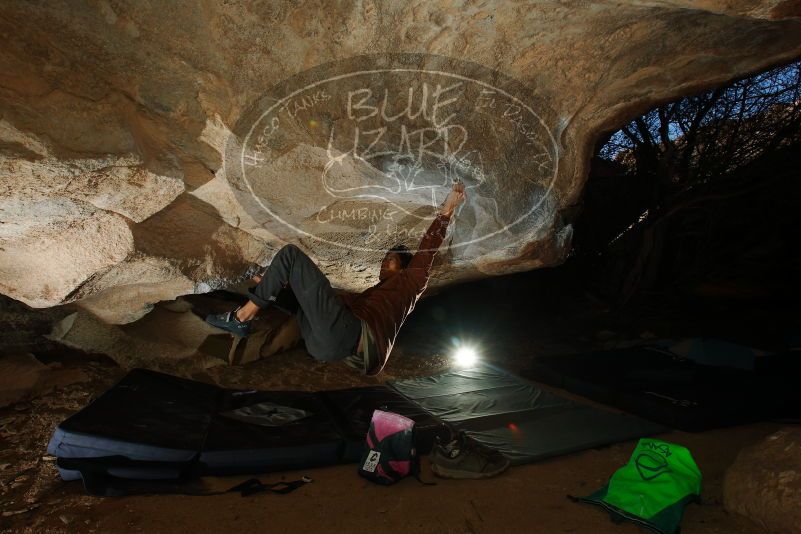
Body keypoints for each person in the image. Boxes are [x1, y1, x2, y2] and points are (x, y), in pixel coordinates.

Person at [205, 181, 467, 375]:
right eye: (385, 258)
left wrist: (447, 211)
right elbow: (315, 303)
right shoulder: (369, 300)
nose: (385, 262)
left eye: (392, 259)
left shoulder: (410, 286)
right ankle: (260, 297)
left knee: (290, 255)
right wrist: (273, 286)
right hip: (327, 348)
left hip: (343, 337)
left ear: (405, 270)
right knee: (300, 299)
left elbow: (426, 252)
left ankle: (241, 317)